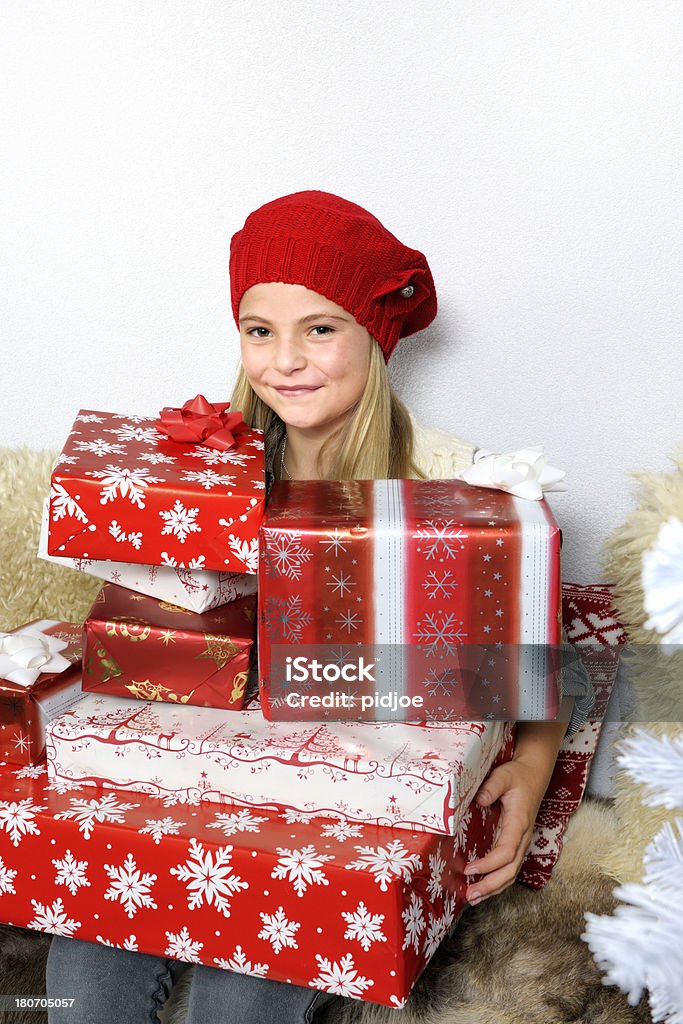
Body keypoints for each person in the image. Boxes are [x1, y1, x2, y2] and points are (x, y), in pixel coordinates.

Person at [46, 190, 591, 1024]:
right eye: (260, 330)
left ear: (373, 337)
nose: (285, 359)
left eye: (320, 328)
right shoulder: (203, 464)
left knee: (244, 991)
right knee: (84, 976)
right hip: (180, 769)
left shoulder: (452, 482)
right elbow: (137, 616)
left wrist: (534, 762)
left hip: (344, 792)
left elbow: (533, 645)